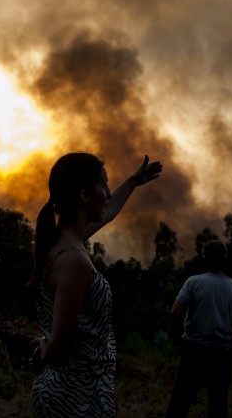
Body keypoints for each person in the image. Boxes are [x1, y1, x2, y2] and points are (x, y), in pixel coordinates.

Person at [29, 153, 162, 417]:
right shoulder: (74, 259)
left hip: (79, 389)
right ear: (84, 195)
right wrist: (42, 353)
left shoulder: (62, 243)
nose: (109, 193)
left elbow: (109, 211)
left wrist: (133, 182)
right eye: (104, 185)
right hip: (75, 395)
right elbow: (60, 344)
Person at [165, 240, 232, 418]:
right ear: (225, 259)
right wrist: (231, 341)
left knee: (180, 403)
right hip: (222, 354)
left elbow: (175, 312)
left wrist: (176, 339)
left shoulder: (194, 282)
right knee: (218, 405)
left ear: (205, 259)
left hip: (194, 351)